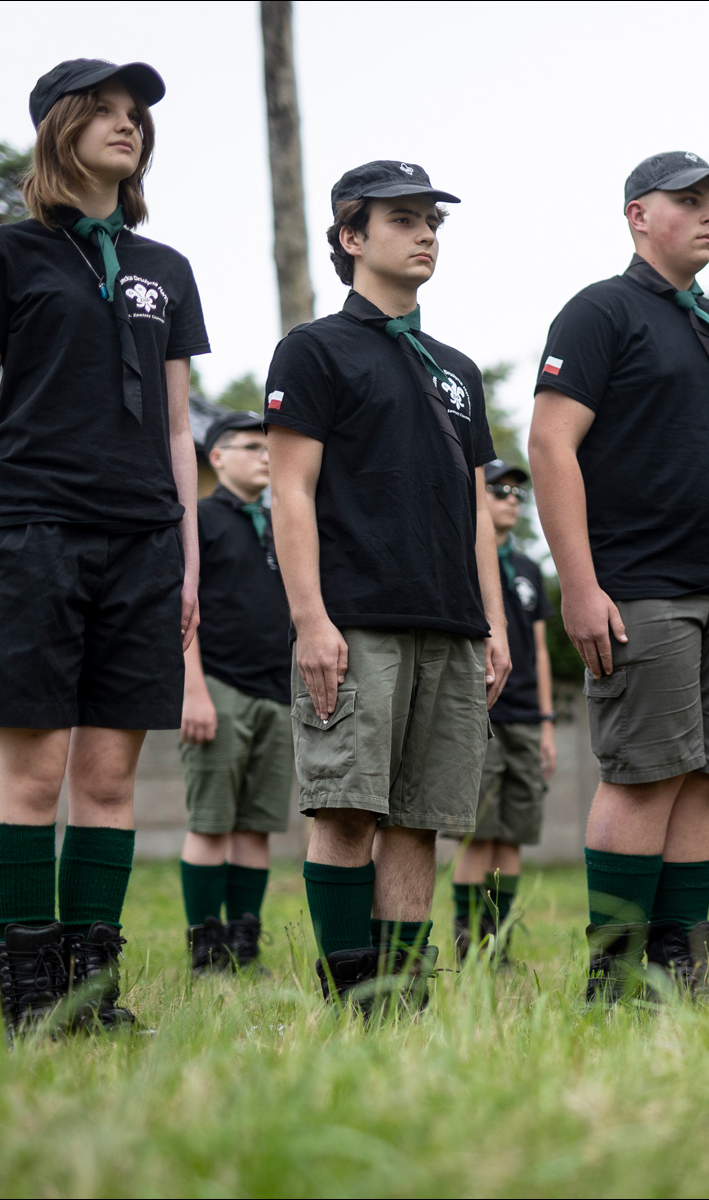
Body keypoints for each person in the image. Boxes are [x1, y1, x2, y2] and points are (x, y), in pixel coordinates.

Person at [0, 59, 206, 1034]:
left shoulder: (165, 269)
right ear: (59, 128)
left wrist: (187, 557)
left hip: (144, 541)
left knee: (106, 779)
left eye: (135, 114)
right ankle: (30, 997)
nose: (127, 124)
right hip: (31, 530)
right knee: (33, 771)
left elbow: (178, 430)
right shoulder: (3, 255)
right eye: (103, 110)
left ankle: (92, 994)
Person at [529, 152, 709, 1003]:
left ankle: (681, 970)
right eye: (689, 200)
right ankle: (613, 976)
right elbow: (550, 446)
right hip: (642, 589)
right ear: (639, 215)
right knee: (643, 778)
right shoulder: (600, 312)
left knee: (702, 781)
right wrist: (579, 586)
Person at [265, 160, 507, 1014]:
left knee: (418, 820)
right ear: (351, 236)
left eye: (432, 221)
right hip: (356, 620)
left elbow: (475, 509)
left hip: (451, 624)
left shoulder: (458, 369)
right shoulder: (313, 349)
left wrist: (492, 623)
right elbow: (290, 492)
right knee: (345, 811)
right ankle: (349, 994)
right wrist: (311, 621)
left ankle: (401, 1000)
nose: (426, 234)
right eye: (403, 219)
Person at [177, 412, 291, 975]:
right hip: (219, 686)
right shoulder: (198, 521)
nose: (265, 455)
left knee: (255, 826)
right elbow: (180, 611)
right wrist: (193, 691)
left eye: (268, 446)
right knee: (211, 822)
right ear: (217, 457)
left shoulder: (281, 521)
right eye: (251, 446)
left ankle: (244, 946)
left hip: (278, 693)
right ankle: (207, 950)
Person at [448, 460, 557, 964]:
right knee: (478, 833)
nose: (511, 500)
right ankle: (468, 941)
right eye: (499, 490)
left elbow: (540, 651)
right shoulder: (463, 559)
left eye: (517, 493)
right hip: (481, 713)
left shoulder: (531, 569)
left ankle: (499, 943)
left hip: (527, 720)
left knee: (512, 836)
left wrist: (547, 724)